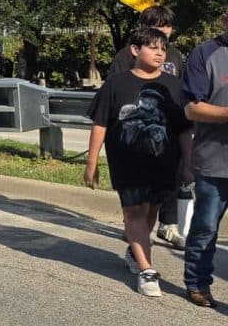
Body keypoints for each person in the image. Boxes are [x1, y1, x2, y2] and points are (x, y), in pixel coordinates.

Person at [84, 27, 191, 297]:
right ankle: (147, 270)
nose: (159, 53)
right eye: (152, 47)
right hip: (127, 164)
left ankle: (135, 250)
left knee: (151, 210)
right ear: (135, 50)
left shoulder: (174, 86)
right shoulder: (117, 84)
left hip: (164, 164)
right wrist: (92, 161)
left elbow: (183, 130)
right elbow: (100, 123)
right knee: (134, 211)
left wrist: (188, 164)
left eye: (163, 49)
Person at [107, 5, 187, 248]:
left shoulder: (174, 55)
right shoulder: (125, 55)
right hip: (137, 128)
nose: (164, 31)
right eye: (157, 26)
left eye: (167, 26)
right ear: (144, 28)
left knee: (171, 177)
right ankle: (133, 226)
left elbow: (182, 90)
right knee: (138, 185)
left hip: (168, 127)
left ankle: (169, 225)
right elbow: (117, 91)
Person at [181, 8, 228, 308]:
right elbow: (191, 108)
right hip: (214, 162)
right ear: (225, 20)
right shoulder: (205, 54)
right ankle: (197, 282)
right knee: (206, 227)